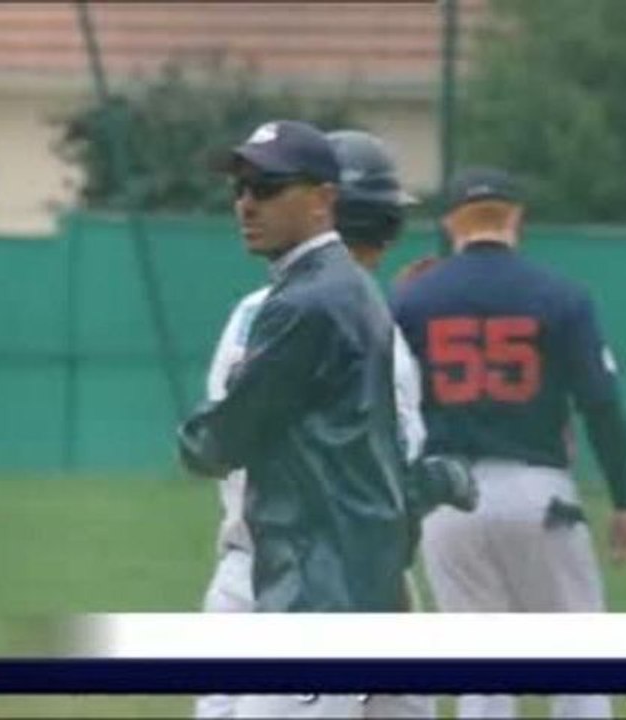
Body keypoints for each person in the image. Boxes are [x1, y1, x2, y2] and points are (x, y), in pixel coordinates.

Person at [195, 129, 473, 720]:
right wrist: (439, 479)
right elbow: (383, 482)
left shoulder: (255, 313)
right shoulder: (362, 327)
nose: (249, 203)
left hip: (246, 573)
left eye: (264, 188)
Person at [392, 167, 626, 720]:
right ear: (517, 218)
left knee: (482, 677)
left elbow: (386, 403)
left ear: (449, 222)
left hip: (444, 497)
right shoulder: (562, 296)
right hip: (539, 492)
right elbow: (600, 405)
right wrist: (625, 501)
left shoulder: (413, 301)